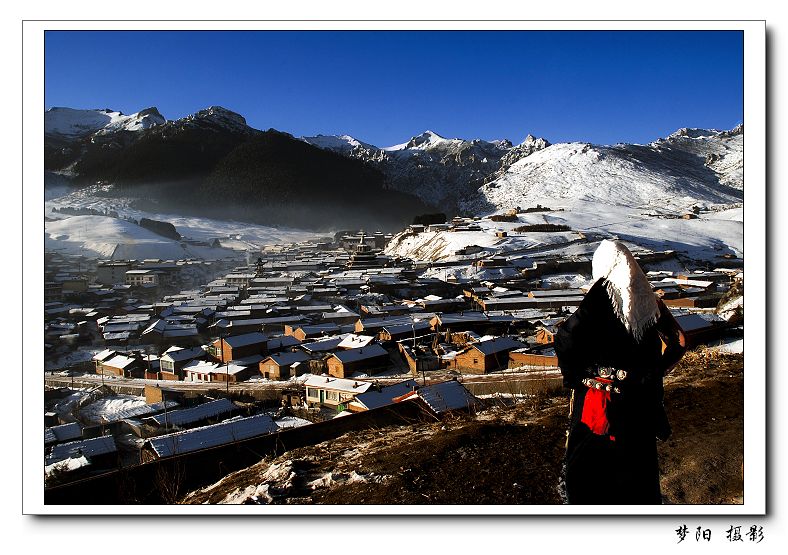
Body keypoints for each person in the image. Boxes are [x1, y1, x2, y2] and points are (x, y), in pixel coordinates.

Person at [555, 240, 686, 504]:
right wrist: (653, 372)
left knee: (588, 477)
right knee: (638, 474)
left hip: (598, 402)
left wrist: (577, 377)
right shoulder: (650, 300)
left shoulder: (600, 297)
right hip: (640, 404)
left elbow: (566, 339)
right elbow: (679, 342)